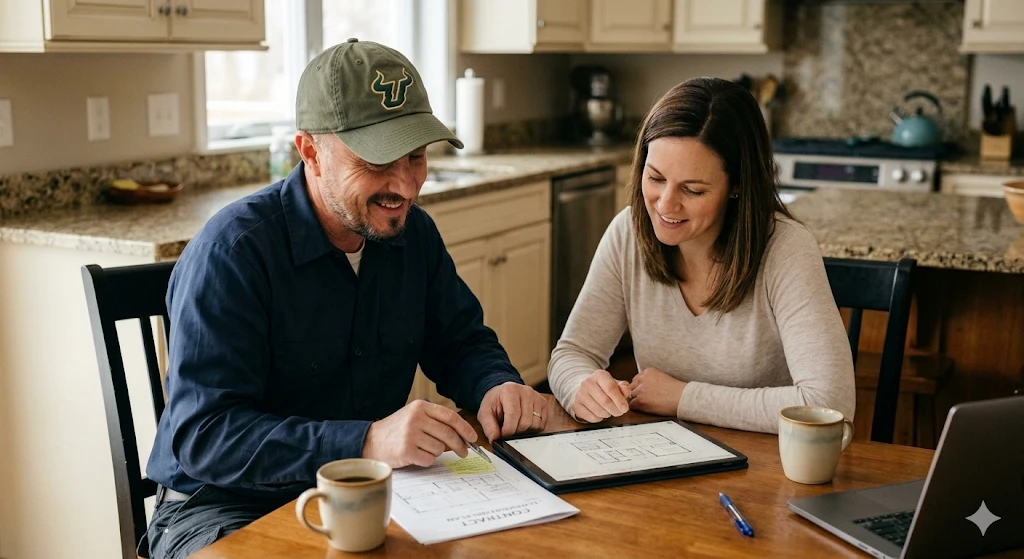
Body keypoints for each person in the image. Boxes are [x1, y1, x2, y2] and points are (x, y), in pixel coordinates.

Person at [143, 39, 548, 559]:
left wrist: (496, 384)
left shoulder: (414, 235)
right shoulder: (233, 253)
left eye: (417, 156)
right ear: (309, 150)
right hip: (223, 507)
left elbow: (460, 340)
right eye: (378, 160)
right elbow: (205, 436)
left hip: (372, 490)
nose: (404, 185)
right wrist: (364, 442)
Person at [548, 77, 855, 433]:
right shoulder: (628, 233)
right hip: (662, 454)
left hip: (765, 465)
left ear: (737, 185)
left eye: (693, 190)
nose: (665, 205)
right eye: (656, 178)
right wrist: (581, 388)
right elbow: (571, 354)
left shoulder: (785, 249)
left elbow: (830, 403)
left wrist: (682, 398)